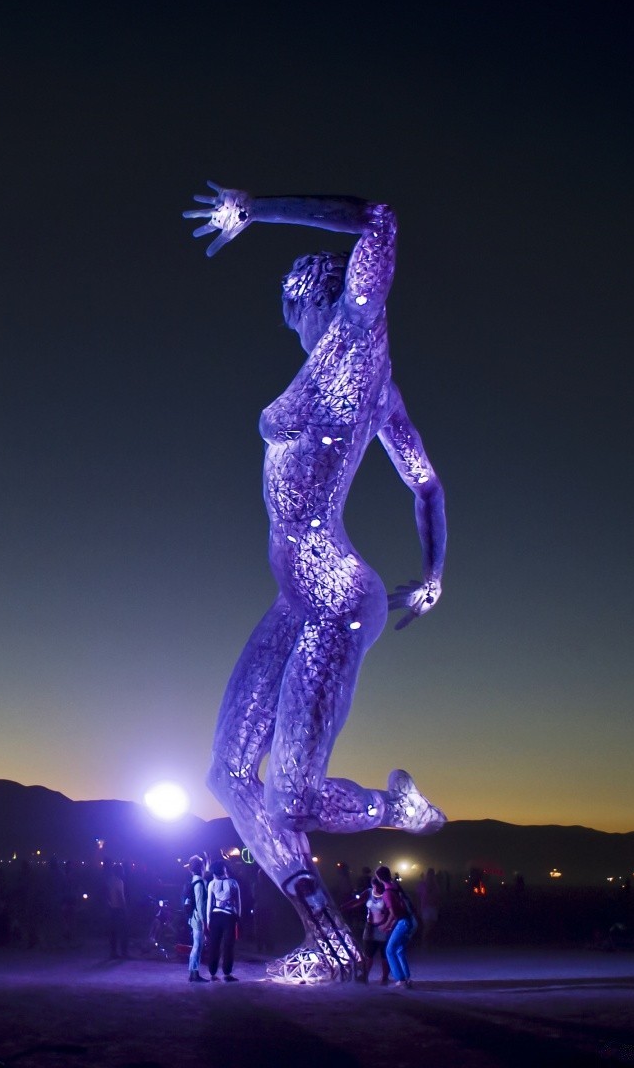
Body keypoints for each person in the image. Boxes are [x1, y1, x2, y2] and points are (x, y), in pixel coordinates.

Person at [187, 184, 448, 978]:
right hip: (294, 597)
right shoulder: (357, 379)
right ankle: (328, 941)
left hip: (335, 596)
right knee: (230, 773)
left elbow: (381, 217)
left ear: (313, 297)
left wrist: (254, 206)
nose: (288, 326)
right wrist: (433, 575)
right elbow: (426, 485)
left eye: (287, 307)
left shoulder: (360, 342)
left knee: (292, 798)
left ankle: (390, 808)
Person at [374, 866, 417, 988]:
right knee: (399, 950)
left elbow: (393, 913)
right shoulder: (396, 887)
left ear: (378, 877)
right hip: (409, 921)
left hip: (402, 922)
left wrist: (386, 925)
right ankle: (406, 979)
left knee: (390, 950)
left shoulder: (387, 893)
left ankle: (401, 979)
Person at [204, 859, 241, 981]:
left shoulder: (211, 884)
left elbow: (209, 904)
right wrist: (238, 918)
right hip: (229, 916)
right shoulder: (233, 883)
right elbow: (238, 903)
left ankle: (212, 971)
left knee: (214, 944)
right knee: (228, 945)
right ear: (224, 870)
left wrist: (208, 920)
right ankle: (227, 973)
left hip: (215, 916)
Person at [182, 856, 209, 982]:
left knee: (197, 946)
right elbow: (200, 904)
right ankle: (193, 973)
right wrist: (204, 922)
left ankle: (193, 972)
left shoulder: (194, 880)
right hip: (198, 919)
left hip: (194, 917)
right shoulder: (200, 883)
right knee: (197, 946)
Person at [102, 859, 129, 958]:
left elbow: (106, 894)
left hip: (111, 908)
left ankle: (113, 952)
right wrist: (125, 909)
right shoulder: (119, 882)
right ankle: (124, 952)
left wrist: (108, 904)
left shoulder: (109, 880)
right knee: (123, 931)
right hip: (119, 908)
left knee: (113, 932)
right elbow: (121, 896)